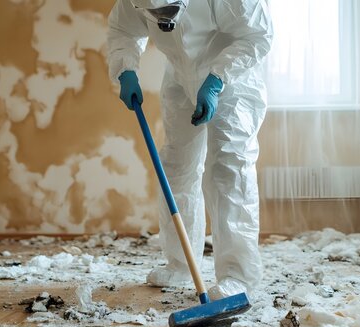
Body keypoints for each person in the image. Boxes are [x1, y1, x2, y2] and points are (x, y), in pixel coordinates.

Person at [107, 0, 273, 300]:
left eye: (167, 10)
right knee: (176, 166)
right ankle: (181, 263)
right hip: (180, 76)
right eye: (153, 15)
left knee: (227, 170)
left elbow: (258, 35)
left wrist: (216, 79)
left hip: (233, 82)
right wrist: (125, 68)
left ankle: (238, 276)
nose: (161, 20)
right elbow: (123, 29)